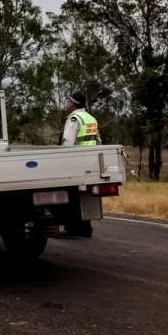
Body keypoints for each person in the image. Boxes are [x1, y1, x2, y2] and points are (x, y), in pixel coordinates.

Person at [60, 90, 98, 237]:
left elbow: (68, 143)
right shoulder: (91, 119)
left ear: (73, 104)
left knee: (70, 195)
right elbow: (97, 140)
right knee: (82, 195)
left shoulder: (74, 119)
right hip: (90, 162)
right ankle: (85, 228)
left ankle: (72, 228)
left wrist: (62, 163)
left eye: (69, 102)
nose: (67, 104)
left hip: (76, 162)